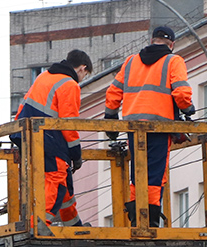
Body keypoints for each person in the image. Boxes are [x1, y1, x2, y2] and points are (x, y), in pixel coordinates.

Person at [104, 25, 196, 227]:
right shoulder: (173, 60)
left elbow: (113, 92)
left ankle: (137, 217)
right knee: (155, 174)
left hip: (133, 127)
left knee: (138, 172)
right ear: (172, 44)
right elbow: (181, 93)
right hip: (159, 127)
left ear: (152, 40)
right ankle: (150, 219)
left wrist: (110, 118)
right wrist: (188, 109)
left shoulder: (131, 62)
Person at [13, 49, 93, 227]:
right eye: (85, 75)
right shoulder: (70, 85)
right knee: (56, 182)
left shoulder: (44, 76)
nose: (83, 79)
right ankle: (39, 225)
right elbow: (69, 124)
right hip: (50, 139)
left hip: (27, 135)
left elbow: (24, 105)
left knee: (62, 185)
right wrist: (76, 154)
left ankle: (74, 226)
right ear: (82, 68)